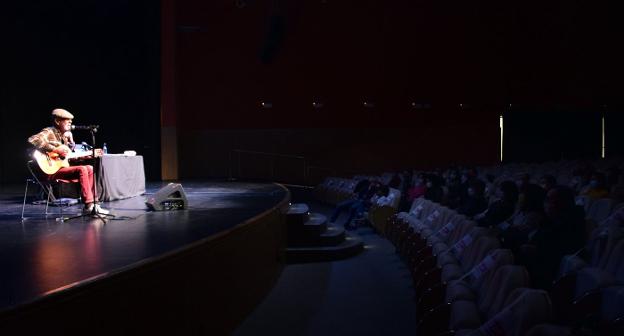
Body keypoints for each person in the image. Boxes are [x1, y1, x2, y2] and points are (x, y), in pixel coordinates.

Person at [28, 108, 109, 215]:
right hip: (49, 171)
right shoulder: (49, 131)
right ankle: (89, 205)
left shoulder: (64, 138)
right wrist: (55, 149)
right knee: (82, 169)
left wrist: (89, 154)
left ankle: (95, 204)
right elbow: (33, 140)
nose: (70, 122)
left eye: (71, 120)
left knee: (90, 168)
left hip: (61, 168)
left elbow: (67, 157)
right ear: (57, 121)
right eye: (66, 120)